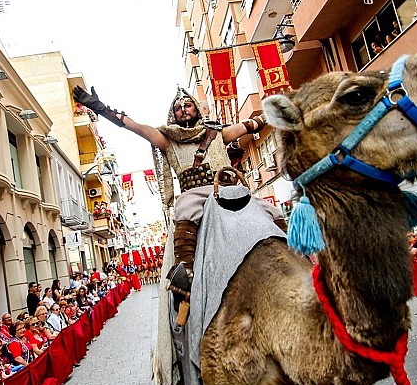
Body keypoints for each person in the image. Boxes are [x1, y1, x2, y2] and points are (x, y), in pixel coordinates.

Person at [72, 86, 284, 291]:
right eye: (178, 107)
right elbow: (136, 127)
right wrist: (101, 108)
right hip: (195, 195)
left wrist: (280, 108)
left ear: (197, 109)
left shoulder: (218, 133)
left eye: (188, 105)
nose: (183, 109)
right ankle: (186, 272)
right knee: (184, 209)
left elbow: (251, 125)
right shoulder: (167, 140)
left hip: (229, 189)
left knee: (271, 210)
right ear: (173, 114)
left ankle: (293, 252)